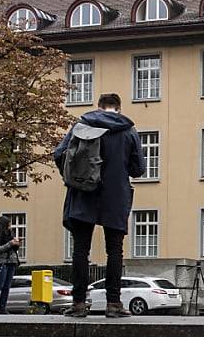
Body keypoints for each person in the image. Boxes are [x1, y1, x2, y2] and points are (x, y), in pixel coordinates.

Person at [54, 93, 145, 318]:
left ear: (99, 107)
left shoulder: (82, 125)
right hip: (115, 196)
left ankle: (78, 303)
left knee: (80, 250)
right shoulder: (128, 131)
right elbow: (138, 169)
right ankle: (113, 304)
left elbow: (59, 154)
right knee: (114, 250)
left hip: (84, 193)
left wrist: (74, 176)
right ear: (119, 108)